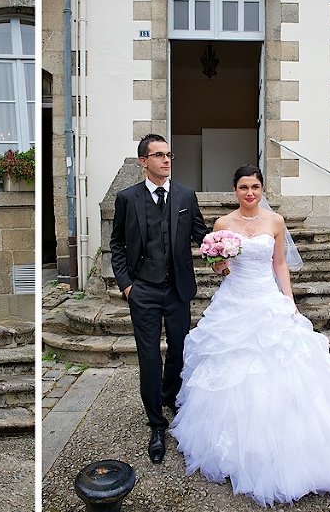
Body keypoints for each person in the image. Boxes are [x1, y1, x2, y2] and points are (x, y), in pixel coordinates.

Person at [170, 165, 330, 506]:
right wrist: (219, 260)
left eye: (255, 186)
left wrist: (289, 301)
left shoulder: (275, 222)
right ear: (234, 190)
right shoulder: (222, 225)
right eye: (243, 187)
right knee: (232, 368)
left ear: (261, 188)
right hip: (234, 302)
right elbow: (217, 269)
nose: (249, 193)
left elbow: (279, 264)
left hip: (266, 299)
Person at [109, 133, 209, 464]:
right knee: (150, 357)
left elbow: (200, 234)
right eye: (158, 155)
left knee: (180, 350)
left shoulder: (184, 195)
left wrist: (225, 246)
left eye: (169, 155)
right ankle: (156, 424)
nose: (166, 160)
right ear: (143, 161)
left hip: (178, 289)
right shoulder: (127, 198)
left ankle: (169, 395)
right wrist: (127, 286)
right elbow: (118, 245)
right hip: (144, 290)